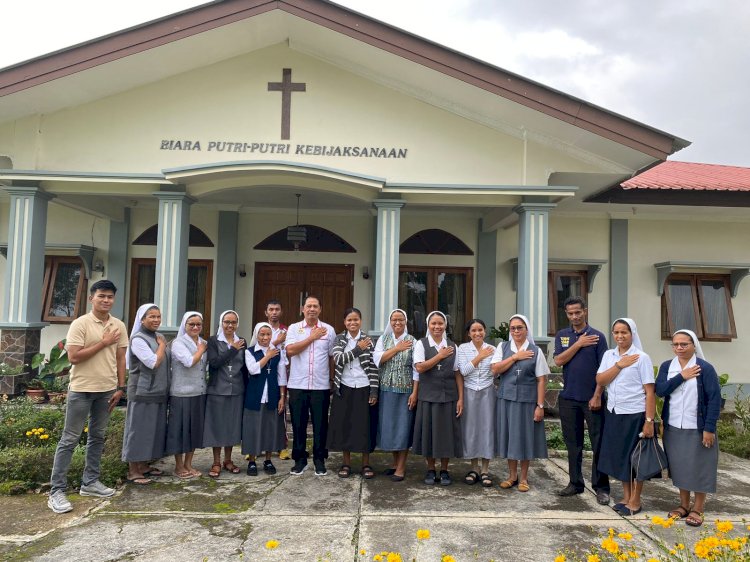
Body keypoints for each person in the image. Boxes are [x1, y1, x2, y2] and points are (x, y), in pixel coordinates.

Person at [48, 280, 129, 513]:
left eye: (110, 297)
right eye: (101, 296)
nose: (106, 300)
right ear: (91, 298)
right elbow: (73, 357)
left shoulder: (118, 325)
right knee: (69, 439)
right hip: (82, 389)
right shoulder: (80, 324)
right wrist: (103, 342)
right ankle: (56, 491)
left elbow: (121, 358)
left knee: (97, 437)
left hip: (106, 390)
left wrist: (120, 387)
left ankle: (90, 482)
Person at [656, 329, 721, 527]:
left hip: (698, 427)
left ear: (694, 345)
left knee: (700, 467)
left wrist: (709, 428)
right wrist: (682, 376)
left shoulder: (705, 368)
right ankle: (684, 505)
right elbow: (660, 390)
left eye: (684, 344)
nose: (679, 348)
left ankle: (698, 508)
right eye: (675, 344)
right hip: (674, 426)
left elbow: (714, 400)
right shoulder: (668, 366)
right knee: (679, 467)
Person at [553, 297, 610, 505]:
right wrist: (578, 344)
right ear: (566, 314)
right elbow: (558, 361)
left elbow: (604, 369)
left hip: (592, 399)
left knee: (598, 444)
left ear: (584, 311)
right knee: (573, 444)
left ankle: (601, 487)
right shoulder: (563, 336)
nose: (574, 316)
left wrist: (597, 395)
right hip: (569, 398)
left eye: (578, 312)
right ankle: (575, 483)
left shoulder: (598, 337)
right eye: (570, 313)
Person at [596, 318, 655, 516]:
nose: (620, 336)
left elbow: (649, 392)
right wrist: (619, 365)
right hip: (614, 412)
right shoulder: (609, 355)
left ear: (633, 334)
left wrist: (649, 421)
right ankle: (626, 496)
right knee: (621, 458)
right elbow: (601, 379)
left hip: (635, 414)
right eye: (616, 332)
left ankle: (636, 500)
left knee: (635, 459)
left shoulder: (641, 357)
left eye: (625, 332)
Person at [491, 314, 549, 492]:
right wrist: (516, 357)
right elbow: (495, 370)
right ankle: (511, 476)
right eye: (513, 328)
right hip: (506, 400)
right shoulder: (503, 346)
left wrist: (540, 406)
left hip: (526, 401)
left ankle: (524, 478)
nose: (516, 331)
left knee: (524, 438)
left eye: (520, 327)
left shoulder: (536, 351)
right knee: (509, 437)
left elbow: (541, 380)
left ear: (526, 330)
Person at [284, 295, 336, 476]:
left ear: (320, 309)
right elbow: (290, 350)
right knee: (298, 424)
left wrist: (331, 379)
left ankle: (319, 459)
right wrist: (311, 337)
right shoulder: (294, 328)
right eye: (309, 306)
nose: (312, 309)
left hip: (320, 385)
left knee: (320, 424)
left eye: (315, 306)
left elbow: (332, 357)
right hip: (298, 384)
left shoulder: (329, 330)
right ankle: (299, 460)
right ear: (302, 309)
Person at [412, 310, 463, 486]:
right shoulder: (421, 344)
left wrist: (460, 398)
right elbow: (419, 368)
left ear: (445, 326)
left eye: (440, 323)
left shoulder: (453, 346)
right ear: (428, 325)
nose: (437, 326)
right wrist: (439, 356)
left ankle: (445, 470)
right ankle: (431, 468)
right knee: (429, 434)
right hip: (428, 396)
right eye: (433, 323)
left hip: (448, 396)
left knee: (446, 435)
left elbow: (457, 373)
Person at [122, 303, 170, 484]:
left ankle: (143, 466)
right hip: (142, 392)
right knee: (137, 431)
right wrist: (162, 346)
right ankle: (133, 471)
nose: (156, 320)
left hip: (158, 392)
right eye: (151, 316)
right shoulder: (138, 339)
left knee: (151, 431)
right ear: (142, 319)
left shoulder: (158, 337)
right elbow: (153, 363)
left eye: (158, 316)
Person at [329, 308, 379, 479]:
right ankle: (346, 463)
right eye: (349, 320)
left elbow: (373, 367)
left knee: (364, 426)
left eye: (356, 319)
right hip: (344, 386)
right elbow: (338, 359)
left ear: (361, 321)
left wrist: (374, 390)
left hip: (364, 386)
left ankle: (366, 464)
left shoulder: (369, 340)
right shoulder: (339, 338)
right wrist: (358, 349)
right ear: (344, 322)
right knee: (345, 426)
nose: (353, 323)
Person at [374, 309, 418, 482]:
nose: (397, 323)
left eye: (401, 320)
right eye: (394, 320)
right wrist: (397, 348)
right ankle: (394, 463)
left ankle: (401, 467)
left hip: (405, 390)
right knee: (390, 428)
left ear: (406, 322)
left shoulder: (413, 341)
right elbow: (378, 359)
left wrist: (415, 392)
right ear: (390, 321)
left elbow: (417, 369)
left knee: (403, 428)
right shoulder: (383, 340)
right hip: (386, 389)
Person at [204, 310, 247, 478]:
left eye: (233, 322)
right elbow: (214, 363)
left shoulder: (241, 341)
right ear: (221, 323)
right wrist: (232, 349)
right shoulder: (214, 341)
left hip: (237, 390)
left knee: (231, 426)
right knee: (217, 426)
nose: (230, 325)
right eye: (227, 322)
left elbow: (245, 367)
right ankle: (216, 461)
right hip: (217, 390)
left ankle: (228, 460)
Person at [165, 311, 207, 479]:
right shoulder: (178, 343)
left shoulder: (203, 342)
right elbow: (189, 362)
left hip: (199, 391)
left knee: (194, 430)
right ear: (185, 325)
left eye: (199, 324)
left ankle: (189, 463)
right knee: (179, 429)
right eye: (192, 324)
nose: (196, 327)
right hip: (181, 393)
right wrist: (201, 350)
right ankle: (178, 465)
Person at [242, 322, 287, 475]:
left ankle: (268, 460)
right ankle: (252, 461)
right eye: (262, 334)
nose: (265, 337)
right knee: (253, 428)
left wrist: (282, 397)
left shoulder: (278, 352)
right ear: (256, 335)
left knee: (270, 428)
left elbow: (282, 376)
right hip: (255, 396)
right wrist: (267, 356)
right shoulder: (249, 352)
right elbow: (253, 370)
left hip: (272, 395)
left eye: (268, 334)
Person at [456, 318, 496, 487]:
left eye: (480, 330)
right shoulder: (463, 349)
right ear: (469, 334)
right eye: (473, 330)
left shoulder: (493, 349)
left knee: (487, 428)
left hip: (487, 391)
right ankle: (473, 468)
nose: (477, 333)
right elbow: (463, 371)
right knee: (471, 429)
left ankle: (485, 470)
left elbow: (495, 371)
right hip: (469, 391)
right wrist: (479, 357)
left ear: (485, 331)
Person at [264, 299, 291, 460]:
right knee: (262, 410)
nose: (274, 312)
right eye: (271, 309)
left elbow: (290, 352)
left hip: (280, 375)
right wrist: (275, 342)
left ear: (281, 312)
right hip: (262, 375)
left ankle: (282, 445)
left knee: (280, 410)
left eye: (277, 309)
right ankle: (259, 445)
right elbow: (256, 350)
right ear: (266, 312)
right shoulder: (261, 329)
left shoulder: (287, 331)